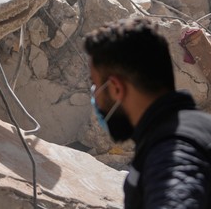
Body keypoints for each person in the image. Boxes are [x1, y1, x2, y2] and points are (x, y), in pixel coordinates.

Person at [84, 16, 211, 208]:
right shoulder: (195, 128)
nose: (94, 96)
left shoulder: (171, 149)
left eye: (95, 85)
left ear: (116, 88)